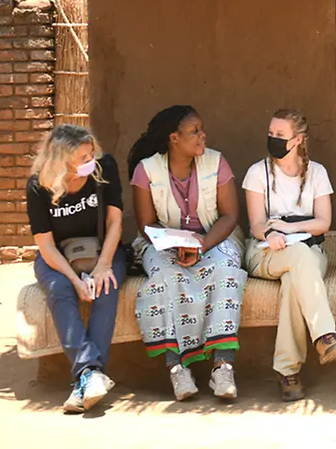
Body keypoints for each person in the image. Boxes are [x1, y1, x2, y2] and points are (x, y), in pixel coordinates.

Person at [128, 105, 247, 401]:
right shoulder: (147, 170)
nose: (202, 135)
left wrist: (201, 246)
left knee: (226, 270)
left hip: (215, 238)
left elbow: (230, 216)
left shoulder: (216, 163)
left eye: (202, 129)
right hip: (161, 242)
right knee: (166, 275)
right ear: (174, 138)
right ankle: (177, 368)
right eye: (194, 131)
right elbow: (146, 224)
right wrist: (176, 244)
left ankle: (223, 366)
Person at [242, 109, 336, 402]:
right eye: (270, 133)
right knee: (297, 257)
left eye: (280, 135)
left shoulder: (317, 173)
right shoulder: (257, 173)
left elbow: (323, 222)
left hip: (308, 250)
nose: (272, 139)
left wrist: (290, 227)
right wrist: (272, 233)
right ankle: (325, 335)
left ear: (298, 139)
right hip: (266, 252)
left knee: (294, 279)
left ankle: (287, 372)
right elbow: (256, 224)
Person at [26, 124, 127, 413]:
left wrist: (104, 265)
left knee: (106, 287)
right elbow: (45, 245)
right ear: (62, 161)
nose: (90, 161)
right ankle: (90, 374)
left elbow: (114, 223)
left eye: (91, 153)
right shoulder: (38, 186)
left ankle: (86, 377)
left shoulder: (104, 168)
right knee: (59, 289)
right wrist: (73, 279)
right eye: (83, 158)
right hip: (58, 256)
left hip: (101, 249)